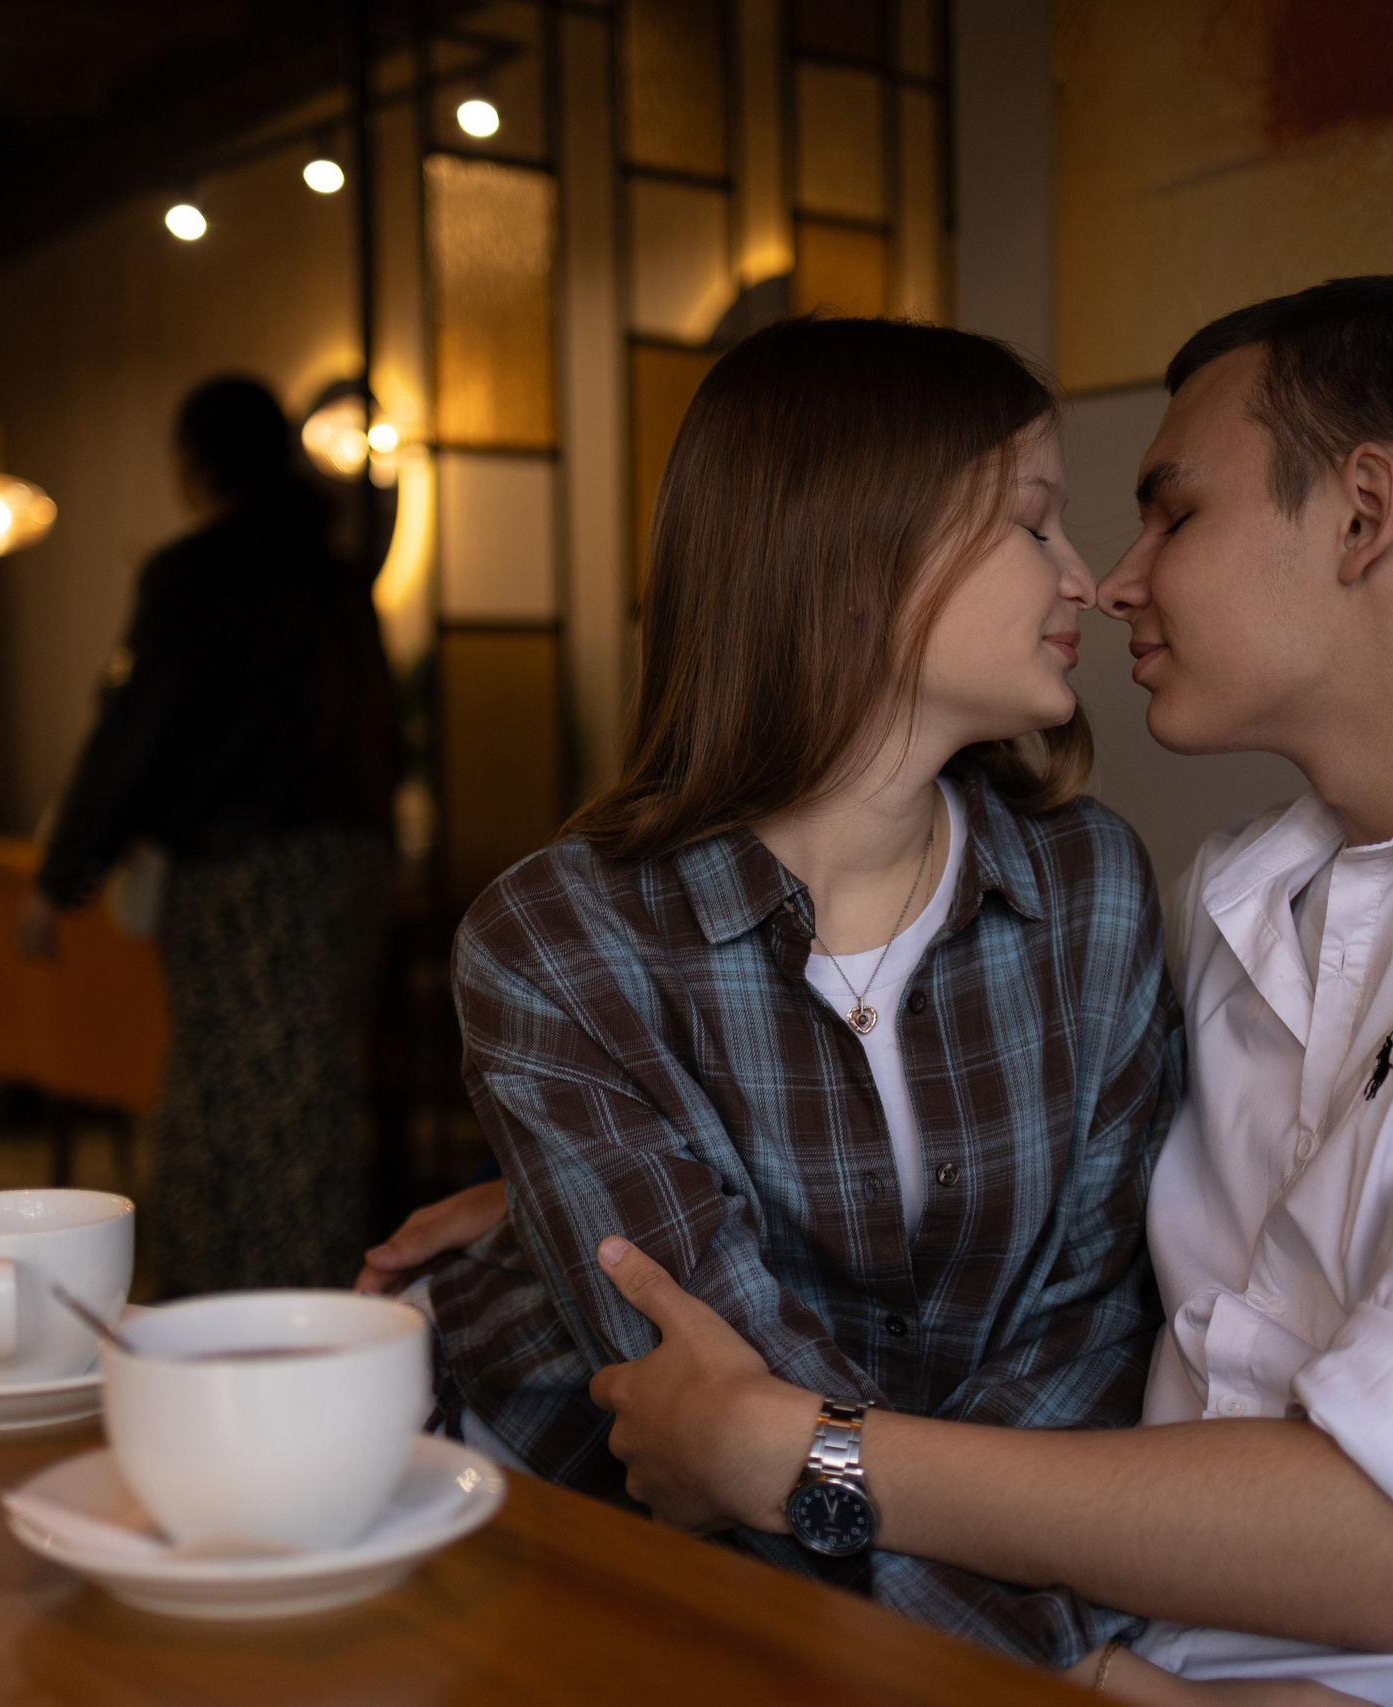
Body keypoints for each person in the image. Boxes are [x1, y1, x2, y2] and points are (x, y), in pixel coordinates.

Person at [368, 277, 1393, 1705]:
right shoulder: (1244, 890)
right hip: (1111, 1634)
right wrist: (543, 1215)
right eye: (1052, 524)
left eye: (1166, 511)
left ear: (1367, 512)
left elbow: (1389, 1534)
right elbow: (1009, 1242)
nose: (1108, 580)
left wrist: (809, 1456)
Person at [405, 316, 1196, 1677]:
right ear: (855, 558)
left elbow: (1094, 1328)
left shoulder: (1093, 886)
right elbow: (706, 1411)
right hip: (571, 1553)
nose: (1089, 578)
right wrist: (1081, 1670)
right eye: (1032, 524)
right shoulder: (556, 938)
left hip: (944, 1600)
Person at [25, 375, 402, 1295]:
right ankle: (316, 1322)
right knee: (298, 1097)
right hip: (349, 870)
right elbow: (383, 734)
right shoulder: (337, 577)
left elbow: (137, 733)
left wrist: (58, 876)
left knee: (229, 1106)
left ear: (194, 464)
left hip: (243, 879)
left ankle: (227, 1323)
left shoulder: (197, 573)